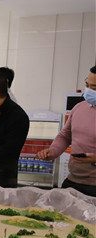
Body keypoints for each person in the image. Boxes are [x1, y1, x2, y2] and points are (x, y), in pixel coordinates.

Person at [36, 66, 96, 196]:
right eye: (87, 85)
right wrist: (53, 151)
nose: (89, 91)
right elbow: (65, 136)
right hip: (72, 181)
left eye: (94, 88)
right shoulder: (79, 108)